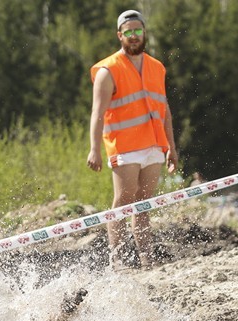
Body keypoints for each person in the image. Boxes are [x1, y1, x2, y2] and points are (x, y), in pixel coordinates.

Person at [87, 9, 178, 269]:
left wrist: (171, 146)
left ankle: (146, 258)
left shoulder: (157, 67)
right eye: (129, 32)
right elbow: (97, 113)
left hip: (153, 146)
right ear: (120, 35)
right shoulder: (109, 70)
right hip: (124, 148)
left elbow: (165, 110)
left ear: (144, 32)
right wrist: (94, 149)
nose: (134, 36)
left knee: (144, 204)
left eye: (138, 30)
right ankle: (118, 260)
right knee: (123, 201)